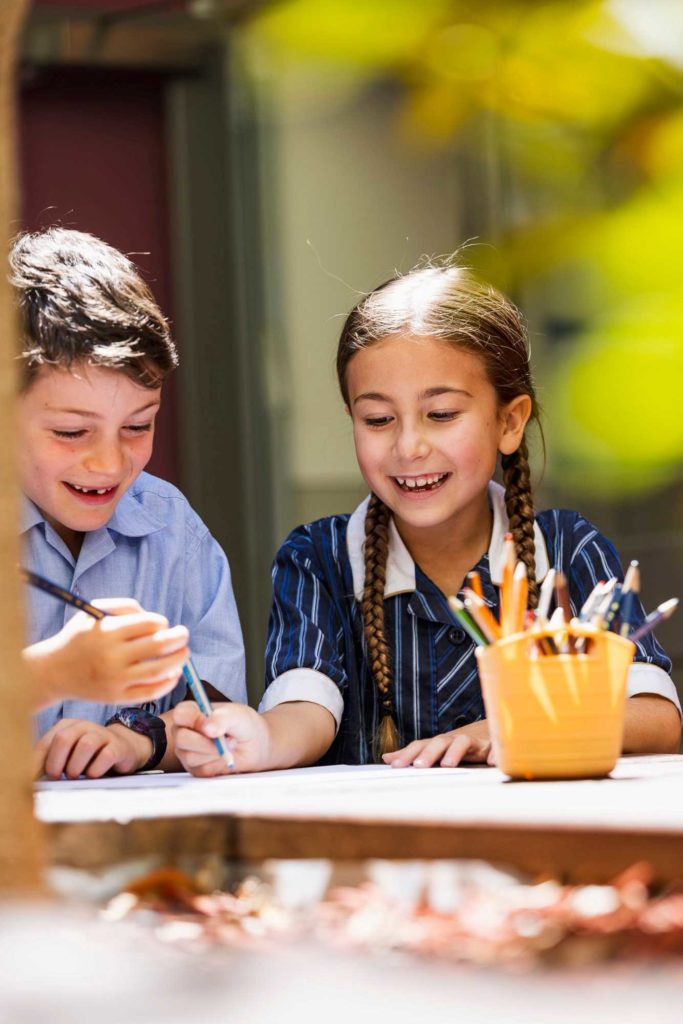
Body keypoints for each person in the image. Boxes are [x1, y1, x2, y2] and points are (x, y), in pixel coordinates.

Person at [173, 263, 681, 775]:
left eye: (440, 415)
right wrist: (257, 739)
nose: (408, 447)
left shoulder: (568, 549)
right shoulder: (318, 558)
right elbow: (305, 709)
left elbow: (657, 717)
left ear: (509, 421)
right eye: (377, 420)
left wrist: (505, 730)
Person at [14, 227, 246, 779]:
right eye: (72, 432)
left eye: (138, 426)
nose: (110, 464)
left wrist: (138, 739)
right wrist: (54, 674)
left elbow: (220, 713)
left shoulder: (171, 529)